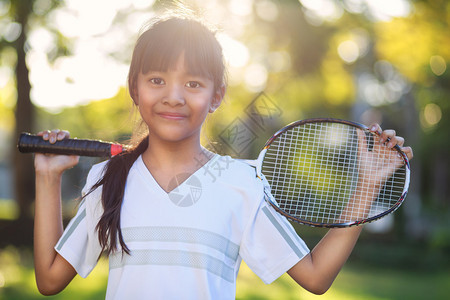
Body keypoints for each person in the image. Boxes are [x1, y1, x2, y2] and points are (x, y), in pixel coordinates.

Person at [33, 12, 414, 300]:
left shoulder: (241, 184)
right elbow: (49, 279)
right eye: (156, 80)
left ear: (216, 96)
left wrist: (366, 185)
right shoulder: (106, 178)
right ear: (134, 87)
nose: (174, 96)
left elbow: (315, 278)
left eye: (194, 83)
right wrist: (48, 178)